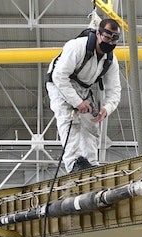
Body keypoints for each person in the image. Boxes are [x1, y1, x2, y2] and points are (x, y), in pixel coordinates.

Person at [46, 18, 122, 173]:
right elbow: (59, 76)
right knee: (69, 122)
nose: (110, 42)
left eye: (114, 39)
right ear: (98, 33)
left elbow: (114, 90)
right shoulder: (76, 47)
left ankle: (91, 164)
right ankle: (74, 164)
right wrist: (77, 102)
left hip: (83, 89)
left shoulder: (110, 60)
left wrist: (106, 109)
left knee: (92, 124)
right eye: (107, 38)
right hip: (60, 85)